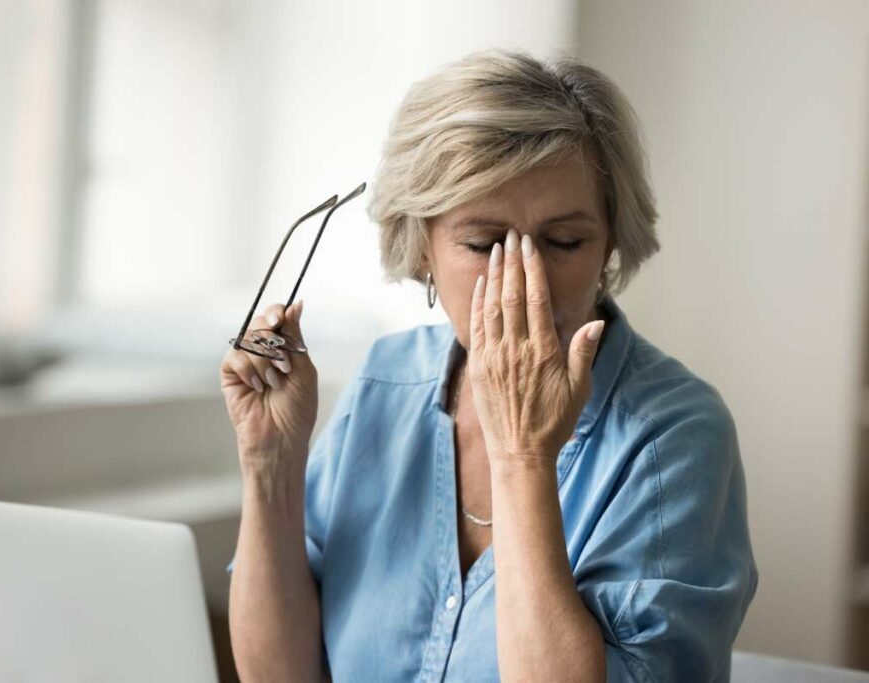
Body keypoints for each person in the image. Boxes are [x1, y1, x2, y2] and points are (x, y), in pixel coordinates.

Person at [220, 47, 757, 682]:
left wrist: (523, 454)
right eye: (483, 244)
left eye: (564, 242)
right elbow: (279, 676)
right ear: (421, 246)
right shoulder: (384, 383)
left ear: (610, 243)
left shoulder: (674, 433)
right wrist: (270, 465)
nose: (525, 282)